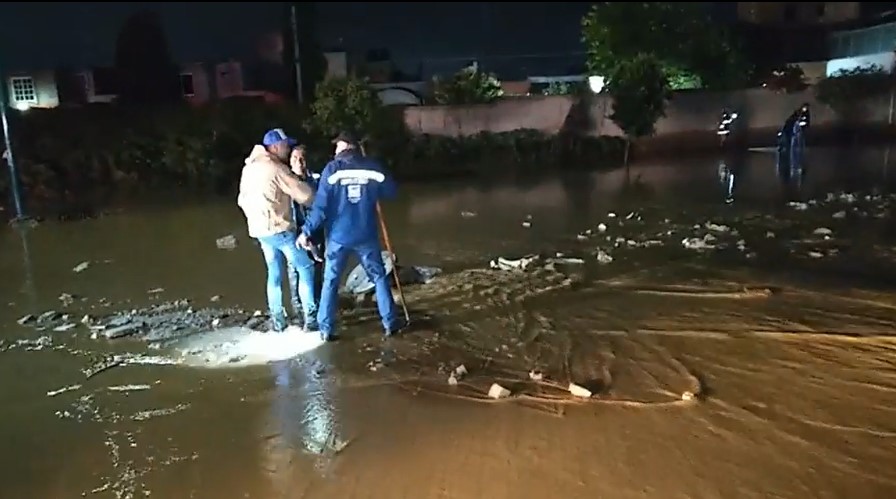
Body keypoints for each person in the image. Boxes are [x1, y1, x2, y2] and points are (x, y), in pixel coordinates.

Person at [297, 131, 405, 341]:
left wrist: (306, 231)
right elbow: (392, 192)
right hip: (366, 234)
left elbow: (321, 207)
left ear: (345, 146)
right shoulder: (372, 167)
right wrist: (373, 190)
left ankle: (326, 329)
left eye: (337, 146)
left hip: (339, 236)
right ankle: (390, 323)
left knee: (331, 280)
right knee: (378, 276)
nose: (335, 150)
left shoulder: (332, 170)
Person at [237, 128, 319, 333]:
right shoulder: (274, 168)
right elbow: (304, 195)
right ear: (274, 147)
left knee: (273, 274)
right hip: (279, 229)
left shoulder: (249, 167)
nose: (288, 148)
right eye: (285, 145)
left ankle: (278, 321)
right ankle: (311, 319)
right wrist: (322, 201)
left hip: (259, 230)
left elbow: (241, 199)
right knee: (305, 267)